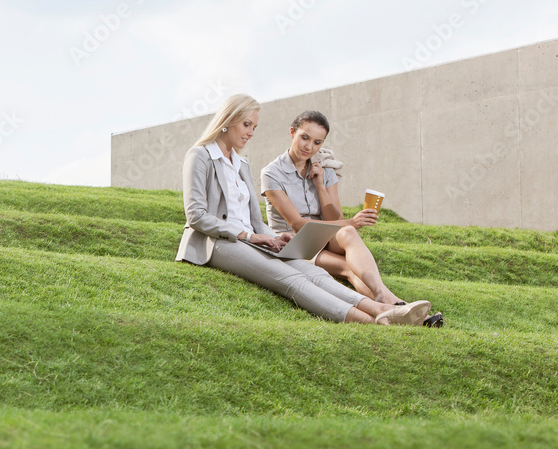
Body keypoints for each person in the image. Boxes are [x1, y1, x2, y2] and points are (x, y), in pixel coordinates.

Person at [175, 94, 431, 325]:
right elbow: (196, 216)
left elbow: (253, 220)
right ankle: (377, 323)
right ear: (228, 120)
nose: (251, 132)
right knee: (291, 279)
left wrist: (273, 237)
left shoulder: (241, 164)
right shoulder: (200, 156)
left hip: (251, 238)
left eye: (254, 126)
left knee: (315, 274)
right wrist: (250, 237)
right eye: (246, 125)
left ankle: (384, 308)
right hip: (217, 241)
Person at [260, 110, 443, 327]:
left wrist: (320, 185)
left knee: (348, 232)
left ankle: (388, 302)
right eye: (304, 137)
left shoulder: (323, 169)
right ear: (292, 133)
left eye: (317, 142)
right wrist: (353, 222)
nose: (309, 147)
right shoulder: (271, 173)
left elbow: (334, 217)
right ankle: (396, 305)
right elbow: (297, 224)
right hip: (296, 244)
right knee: (348, 265)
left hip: (324, 236)